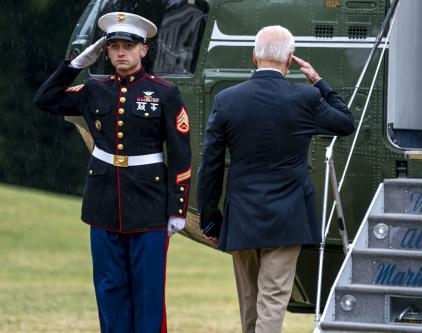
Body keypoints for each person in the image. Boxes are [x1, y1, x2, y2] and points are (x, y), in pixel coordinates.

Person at [34, 12, 191, 332]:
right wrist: (75, 64)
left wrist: (177, 208)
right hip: (104, 201)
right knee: (109, 289)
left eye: (128, 46)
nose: (121, 52)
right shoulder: (95, 88)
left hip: (149, 204)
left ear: (143, 50)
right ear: (105, 51)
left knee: (147, 291)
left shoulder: (164, 92)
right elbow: (45, 100)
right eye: (114, 46)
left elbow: (180, 154)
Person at [197, 25, 355, 333]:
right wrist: (319, 82)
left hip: (242, 216)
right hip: (288, 215)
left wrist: (209, 218)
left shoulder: (228, 100)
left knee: (249, 303)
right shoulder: (306, 97)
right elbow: (345, 122)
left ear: (254, 56)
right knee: (273, 301)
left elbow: (211, 165)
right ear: (290, 58)